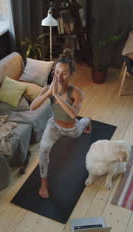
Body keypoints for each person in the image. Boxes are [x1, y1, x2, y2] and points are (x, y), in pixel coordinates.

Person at [30, 49, 91, 199]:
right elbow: (32, 107)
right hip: (54, 126)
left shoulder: (77, 93)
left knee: (81, 125)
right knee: (43, 149)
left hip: (71, 128)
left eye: (64, 73)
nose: (59, 77)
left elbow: (73, 114)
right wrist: (48, 93)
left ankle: (88, 121)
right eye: (57, 72)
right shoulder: (47, 89)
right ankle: (43, 183)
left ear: (70, 74)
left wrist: (56, 95)